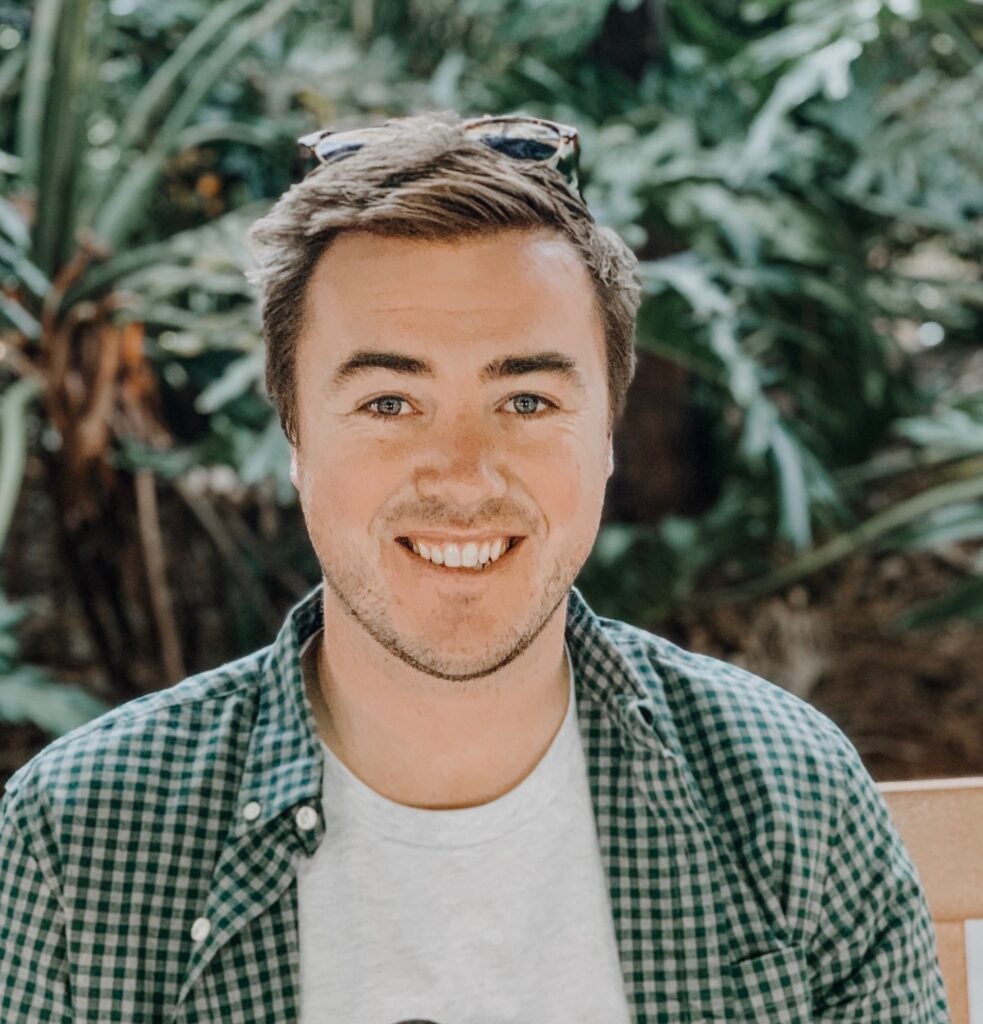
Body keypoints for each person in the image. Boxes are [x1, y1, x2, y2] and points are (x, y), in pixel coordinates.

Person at [0, 112, 948, 1024]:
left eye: (527, 400)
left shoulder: (789, 795)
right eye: (388, 402)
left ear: (606, 433)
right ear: (294, 435)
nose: (463, 475)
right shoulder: (81, 837)